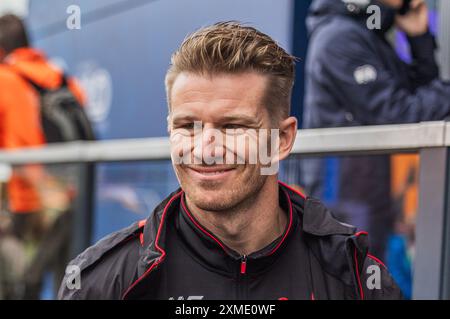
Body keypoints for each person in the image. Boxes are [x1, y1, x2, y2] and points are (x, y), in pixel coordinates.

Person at [59, 21, 402, 300]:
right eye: (187, 126)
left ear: (282, 139)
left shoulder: (355, 279)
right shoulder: (103, 282)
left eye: (233, 126)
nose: (206, 149)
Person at [302, 0, 450, 260]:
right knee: (351, 281)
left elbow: (420, 94)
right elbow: (400, 114)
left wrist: (419, 40)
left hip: (368, 194)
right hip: (346, 197)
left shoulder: (364, 35)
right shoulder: (339, 37)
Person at [0, 14, 86, 298]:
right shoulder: (61, 78)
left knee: (19, 285)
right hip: (71, 197)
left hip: (29, 202)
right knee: (68, 284)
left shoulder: (5, 79)